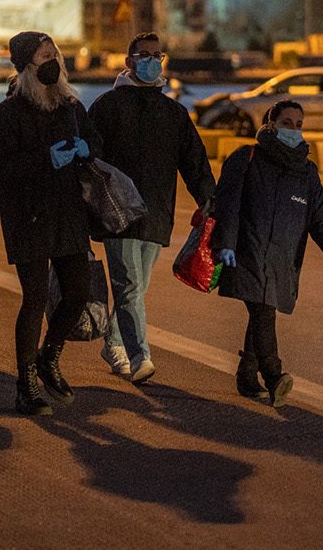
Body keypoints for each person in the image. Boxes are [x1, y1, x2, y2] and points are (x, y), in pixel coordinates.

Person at [0, 31, 101, 416]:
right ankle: (26, 381)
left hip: (68, 213)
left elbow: (95, 143)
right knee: (34, 299)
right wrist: (45, 159)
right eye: (43, 57)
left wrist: (87, 150)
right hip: (28, 215)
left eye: (55, 55)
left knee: (79, 293)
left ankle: (50, 355)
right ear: (24, 66)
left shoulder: (70, 106)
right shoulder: (7, 114)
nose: (53, 63)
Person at [88, 31, 215, 384]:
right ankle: (139, 355)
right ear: (128, 62)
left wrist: (208, 198)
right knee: (128, 285)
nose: (150, 60)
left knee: (137, 287)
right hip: (117, 214)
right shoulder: (106, 107)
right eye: (143, 54)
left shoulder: (172, 112)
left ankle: (113, 342)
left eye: (156, 55)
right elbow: (89, 160)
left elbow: (194, 161)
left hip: (157, 213)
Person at [212, 99, 323, 407]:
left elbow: (320, 216)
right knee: (263, 312)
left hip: (282, 258)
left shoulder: (306, 172)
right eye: (287, 123)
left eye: (299, 125)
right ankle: (274, 376)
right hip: (247, 251)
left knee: (263, 311)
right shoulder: (247, 159)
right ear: (271, 124)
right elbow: (227, 205)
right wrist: (226, 243)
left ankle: (247, 377)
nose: (294, 130)